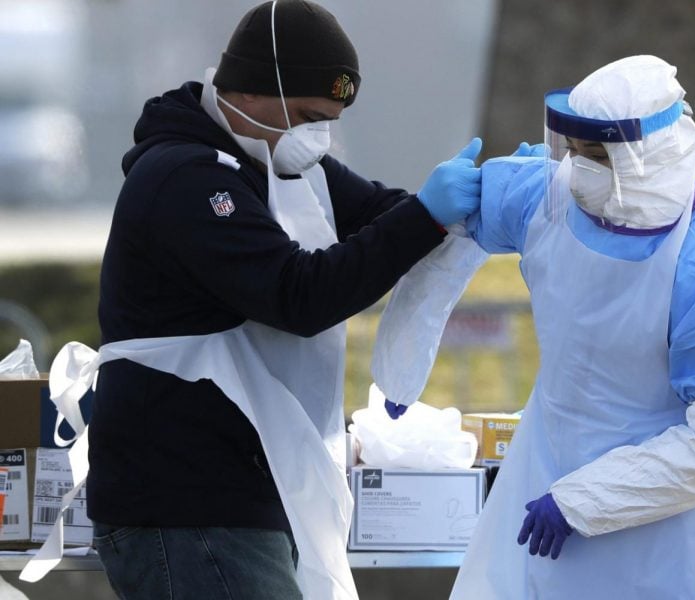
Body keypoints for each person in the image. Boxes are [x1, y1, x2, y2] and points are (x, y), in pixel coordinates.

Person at [81, 1, 484, 599]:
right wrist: (426, 216)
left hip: (248, 488)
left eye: (331, 119)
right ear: (249, 91)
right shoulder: (185, 178)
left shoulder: (281, 160)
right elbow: (298, 295)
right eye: (308, 115)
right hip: (183, 502)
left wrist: (489, 204)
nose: (319, 135)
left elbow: (380, 214)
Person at [448, 55, 695, 599]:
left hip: (671, 525)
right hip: (546, 489)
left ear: (652, 153)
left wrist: (587, 499)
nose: (578, 170)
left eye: (599, 156)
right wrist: (401, 363)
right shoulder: (550, 200)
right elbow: (439, 225)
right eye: (575, 152)